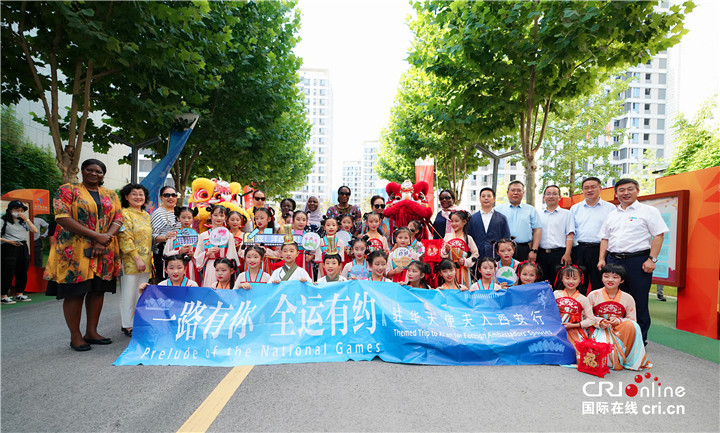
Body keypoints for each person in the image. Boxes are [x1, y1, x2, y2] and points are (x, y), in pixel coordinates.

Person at [44, 159, 123, 351]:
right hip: (74, 251)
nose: (94, 173)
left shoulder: (111, 195)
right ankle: (76, 336)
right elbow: (62, 217)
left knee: (97, 290)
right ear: (82, 171)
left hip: (103, 249)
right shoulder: (67, 190)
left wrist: (103, 239)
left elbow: (118, 218)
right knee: (76, 292)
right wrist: (96, 236)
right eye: (90, 170)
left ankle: (92, 332)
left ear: (103, 175)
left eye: (99, 171)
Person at [597, 178, 669, 344]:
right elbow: (605, 238)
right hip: (614, 260)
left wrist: (652, 259)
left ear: (637, 191)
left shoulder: (649, 211)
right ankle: (617, 335)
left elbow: (658, 235)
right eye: (621, 190)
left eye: (630, 189)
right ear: (616, 194)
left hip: (638, 261)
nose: (626, 193)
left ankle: (639, 339)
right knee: (614, 299)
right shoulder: (612, 214)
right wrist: (601, 258)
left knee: (639, 300)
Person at [587, 264, 652, 370]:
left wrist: (619, 320)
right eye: (606, 276)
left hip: (619, 330)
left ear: (622, 280)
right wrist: (600, 321)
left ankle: (631, 358)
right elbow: (587, 316)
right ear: (602, 278)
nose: (610, 280)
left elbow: (632, 319)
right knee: (608, 353)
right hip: (599, 329)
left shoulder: (628, 298)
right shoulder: (593, 295)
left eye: (615, 277)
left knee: (633, 325)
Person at [117, 183, 153, 337]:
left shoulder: (146, 215)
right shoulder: (124, 214)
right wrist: (137, 259)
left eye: (141, 194)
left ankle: (139, 322)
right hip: (131, 260)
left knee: (141, 292)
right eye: (134, 194)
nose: (138, 197)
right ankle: (127, 325)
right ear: (126, 197)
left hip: (146, 260)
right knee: (129, 293)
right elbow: (125, 238)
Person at [571, 177, 616, 294]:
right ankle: (579, 305)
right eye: (586, 188)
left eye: (593, 187)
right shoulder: (575, 208)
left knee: (599, 282)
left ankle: (598, 305)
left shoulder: (610, 208)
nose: (589, 190)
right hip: (579, 250)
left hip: (600, 249)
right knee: (578, 281)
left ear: (600, 189)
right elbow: (571, 231)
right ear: (582, 190)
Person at [553, 265, 598, 363]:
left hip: (574, 330)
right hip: (556, 327)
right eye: (567, 278)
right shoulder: (555, 294)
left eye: (574, 278)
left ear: (580, 280)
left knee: (579, 356)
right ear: (562, 279)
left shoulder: (583, 299)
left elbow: (591, 319)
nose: (571, 281)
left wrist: (574, 325)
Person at [193, 205, 240, 287]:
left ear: (225, 218)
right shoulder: (203, 236)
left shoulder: (229, 235)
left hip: (225, 267)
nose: (218, 218)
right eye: (215, 215)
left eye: (221, 216)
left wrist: (228, 267)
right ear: (210, 216)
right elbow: (197, 256)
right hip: (210, 267)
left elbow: (232, 254)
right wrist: (207, 253)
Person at [2, 200, 39, 303]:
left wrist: (27, 219)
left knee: (22, 270)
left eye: (21, 210)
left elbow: (35, 230)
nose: (19, 212)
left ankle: (20, 293)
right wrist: (8, 241)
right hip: (8, 246)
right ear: (10, 210)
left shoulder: (23, 222)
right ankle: (3, 295)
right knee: (8, 271)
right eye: (17, 210)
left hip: (22, 246)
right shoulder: (3, 221)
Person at [537, 185, 574, 287]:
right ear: (544, 197)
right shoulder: (538, 214)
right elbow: (534, 234)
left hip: (559, 254)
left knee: (559, 282)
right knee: (542, 283)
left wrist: (567, 253)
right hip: (541, 254)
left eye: (554, 194)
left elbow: (570, 235)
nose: (551, 196)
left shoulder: (567, 214)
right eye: (548, 194)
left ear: (560, 197)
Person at [495, 181, 541, 262]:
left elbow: (537, 230)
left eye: (519, 190)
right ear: (507, 192)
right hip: (503, 249)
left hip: (524, 249)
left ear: (523, 193)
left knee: (523, 270)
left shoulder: (531, 210)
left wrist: (534, 250)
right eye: (513, 190)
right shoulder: (498, 210)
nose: (516, 193)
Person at [468, 187, 511, 259]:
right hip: (477, 257)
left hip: (496, 256)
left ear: (494, 199)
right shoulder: (472, 219)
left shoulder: (502, 218)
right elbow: (469, 238)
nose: (486, 198)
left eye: (489, 196)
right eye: (483, 196)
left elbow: (506, 238)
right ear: (480, 199)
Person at [440, 210, 478, 287]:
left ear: (464, 222)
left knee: (463, 288)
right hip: (450, 269)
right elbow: (441, 253)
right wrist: (446, 250)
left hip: (463, 268)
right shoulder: (447, 236)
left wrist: (466, 261)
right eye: (452, 221)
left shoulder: (468, 238)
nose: (454, 224)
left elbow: (476, 254)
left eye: (456, 221)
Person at [164, 206, 201, 282]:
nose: (186, 220)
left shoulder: (198, 237)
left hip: (192, 268)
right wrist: (179, 252)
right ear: (178, 218)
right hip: (176, 269)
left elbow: (202, 254)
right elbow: (165, 254)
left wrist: (194, 255)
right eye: (183, 217)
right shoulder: (173, 236)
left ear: (193, 219)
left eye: (189, 218)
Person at [150, 186, 178, 281]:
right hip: (163, 253)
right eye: (167, 195)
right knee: (165, 282)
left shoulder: (179, 211)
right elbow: (152, 236)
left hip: (178, 252)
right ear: (161, 197)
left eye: (173, 195)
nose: (171, 198)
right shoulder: (158, 213)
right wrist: (165, 237)